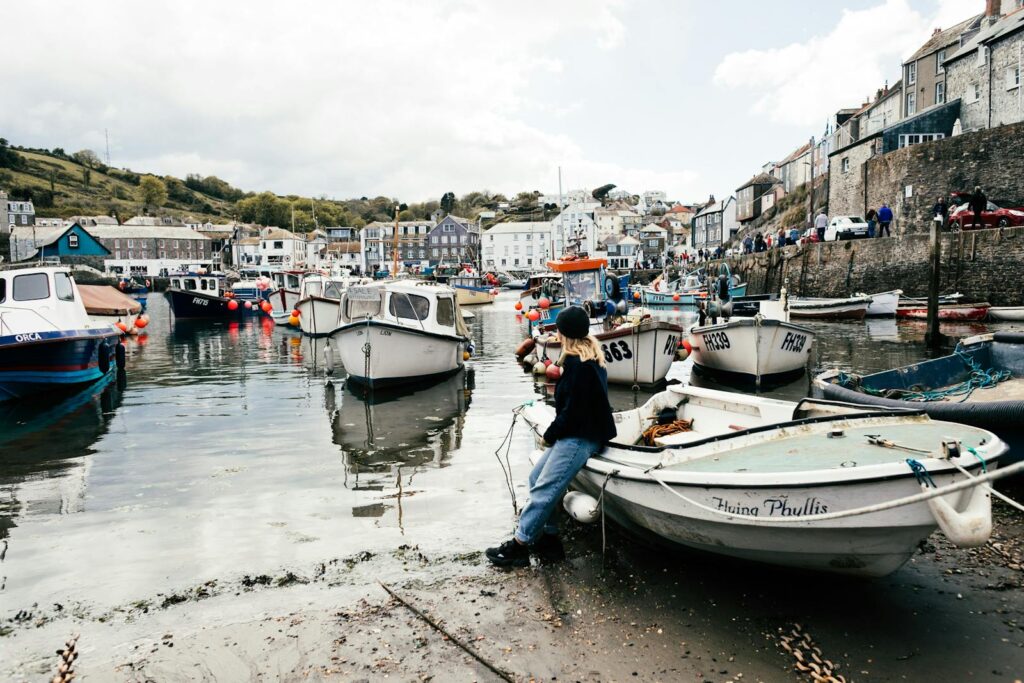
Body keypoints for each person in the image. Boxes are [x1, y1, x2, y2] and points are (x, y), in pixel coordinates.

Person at [485, 307, 616, 567]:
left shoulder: (580, 367)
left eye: (558, 329)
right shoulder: (586, 360)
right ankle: (549, 539)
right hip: (580, 432)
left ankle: (520, 545)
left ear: (564, 333)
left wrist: (550, 434)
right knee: (537, 478)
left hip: (580, 436)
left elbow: (572, 412)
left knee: (545, 489)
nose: (556, 333)